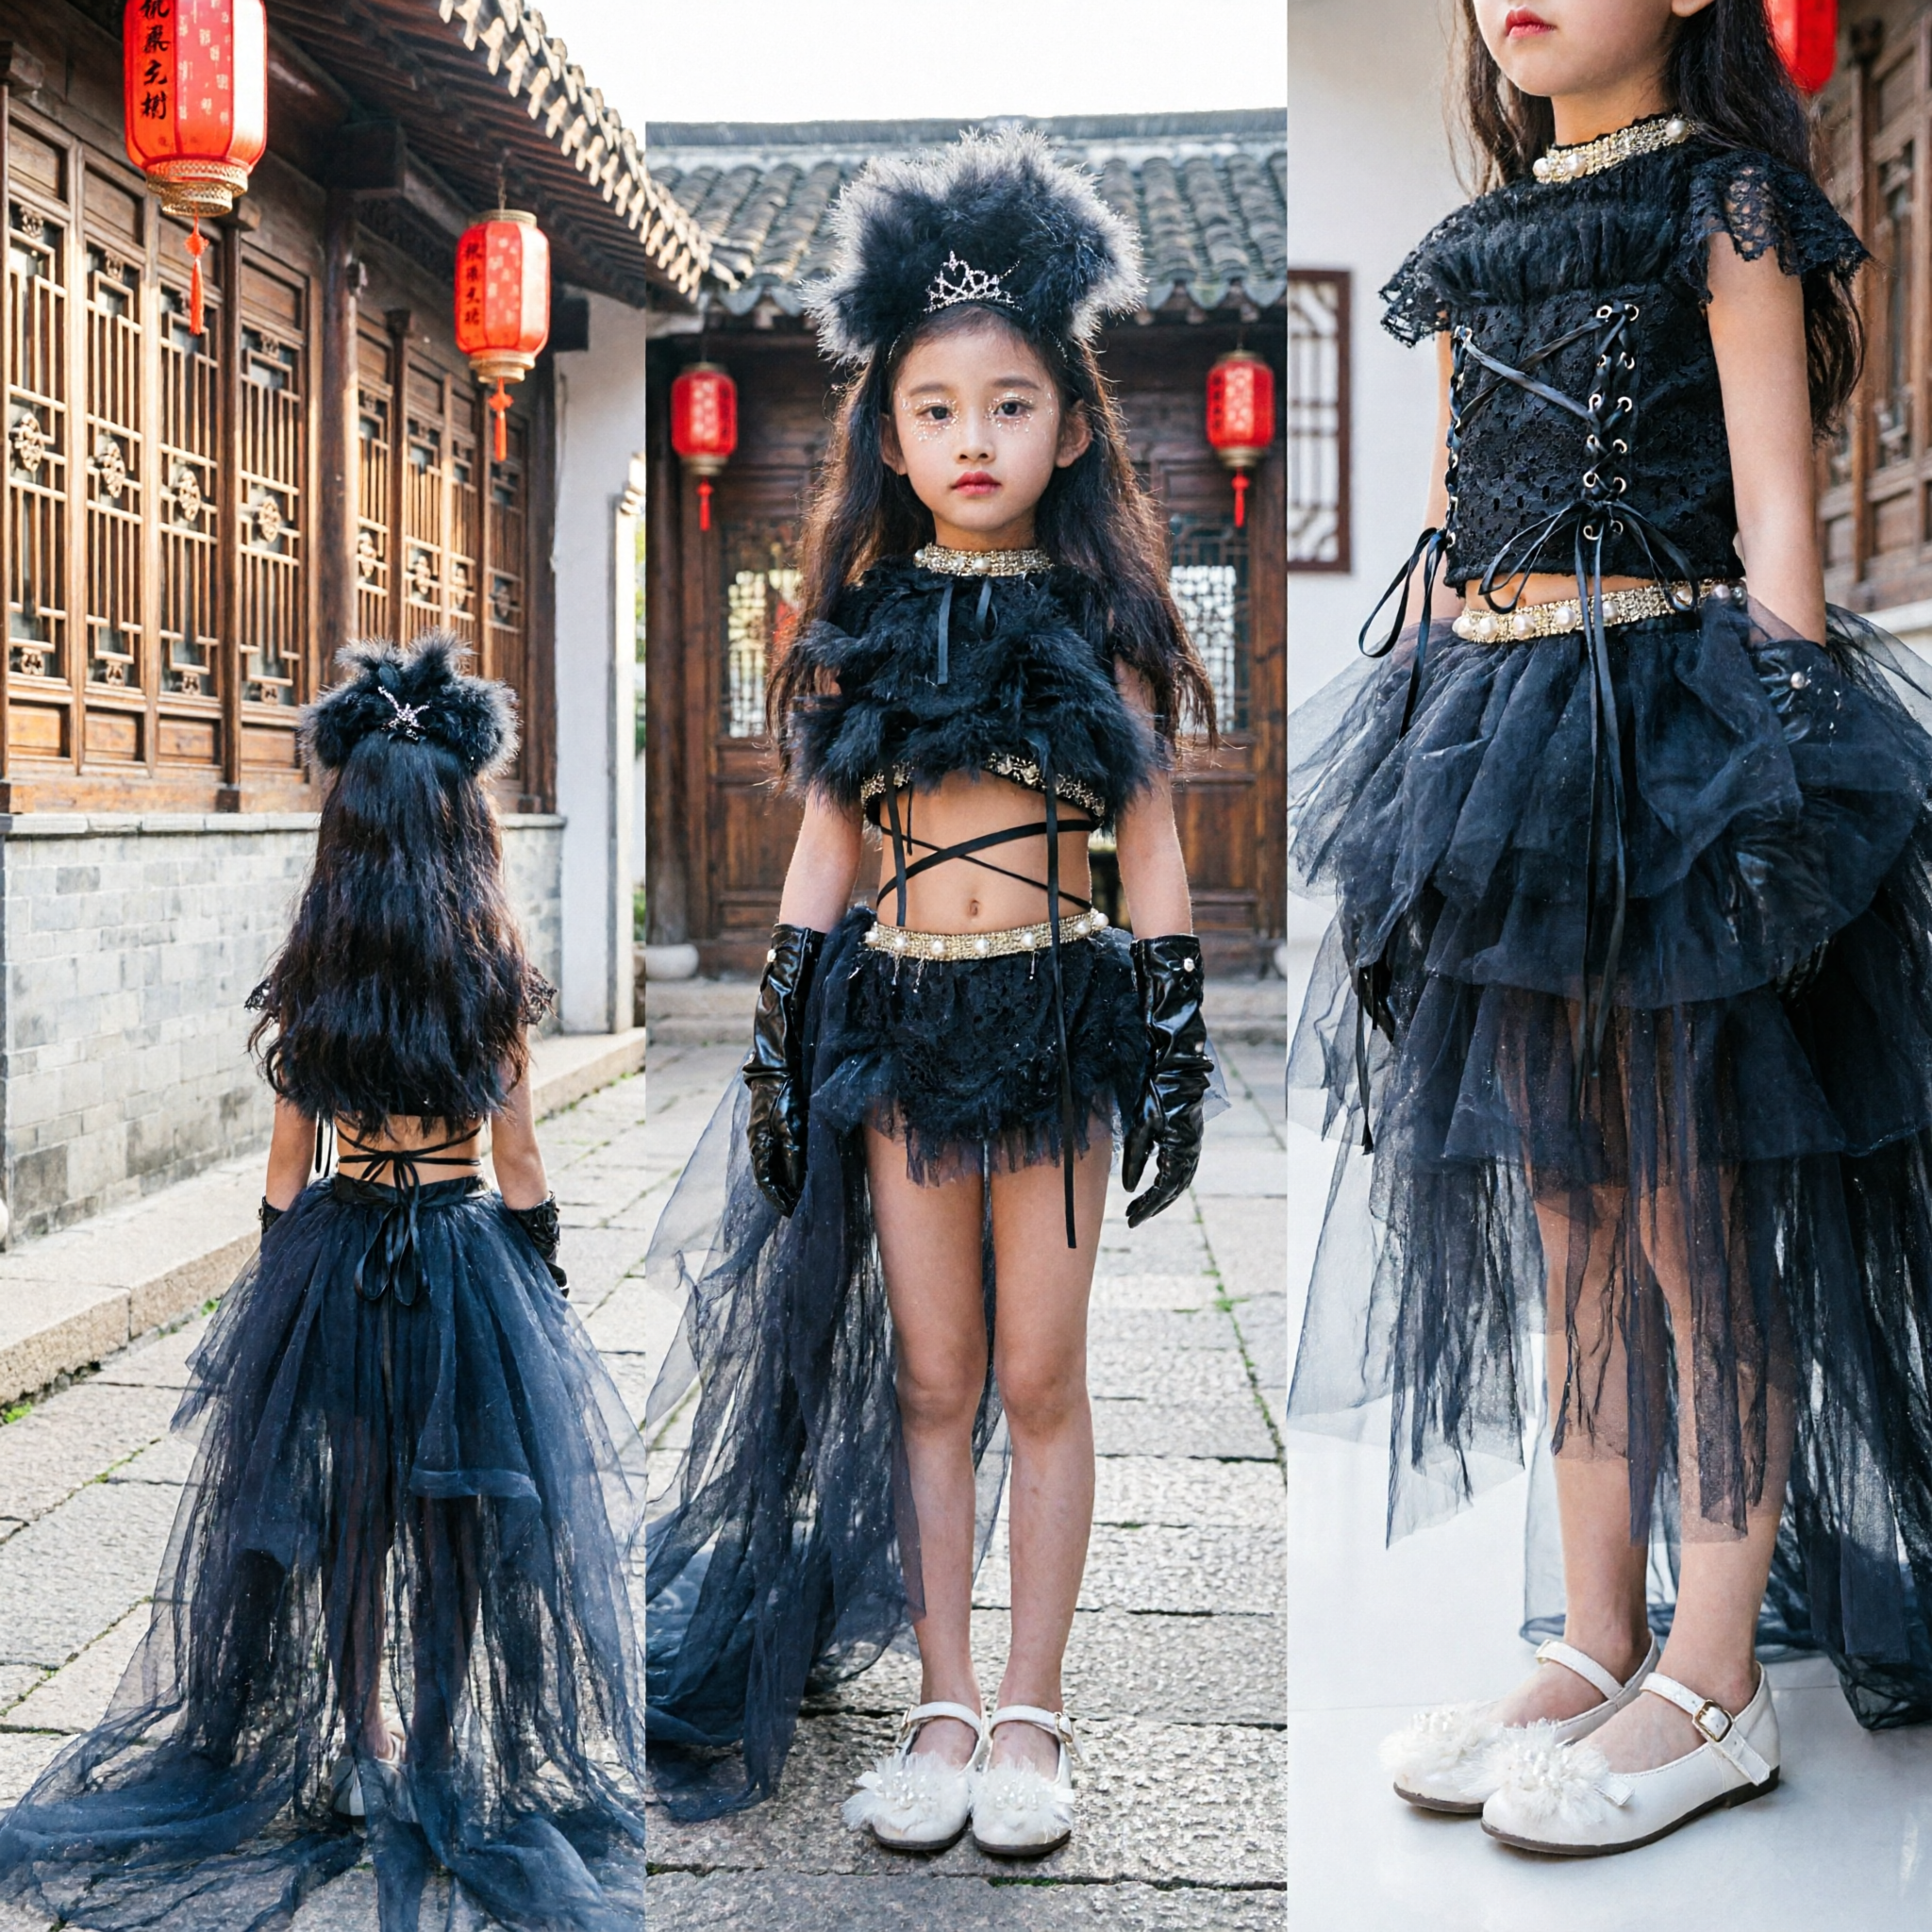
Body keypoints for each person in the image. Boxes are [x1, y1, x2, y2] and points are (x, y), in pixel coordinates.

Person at [1289, 0, 1932, 1858]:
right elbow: (1438, 555)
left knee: (1691, 1209)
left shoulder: (1728, 209)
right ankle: (1593, 1635)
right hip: (1495, 755)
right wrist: (1407, 789)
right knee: (1569, 1213)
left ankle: (1713, 1679)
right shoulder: (1472, 243)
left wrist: (1785, 833)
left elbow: (1781, 565)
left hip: (1666, 749)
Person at [643, 131, 1219, 1859]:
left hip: (1052, 1023)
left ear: (1071, 422)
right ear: (889, 434)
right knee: (930, 1377)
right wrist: (772, 1040)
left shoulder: (1105, 616)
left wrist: (1174, 1035)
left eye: (1014, 405)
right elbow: (825, 851)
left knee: (1043, 1376)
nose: (977, 441)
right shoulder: (862, 620)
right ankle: (943, 1698)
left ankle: (1035, 1707)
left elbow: (1156, 840)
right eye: (940, 410)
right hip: (897, 1026)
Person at [0, 636, 648, 1930]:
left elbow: (286, 1166)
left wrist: (273, 1291)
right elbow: (518, 1155)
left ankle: (362, 1748)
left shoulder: (318, 975)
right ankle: (447, 1742)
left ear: (343, 827)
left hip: (342, 1255)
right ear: (464, 820)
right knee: (462, 1525)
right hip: (467, 1251)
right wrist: (546, 1265)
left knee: (352, 1519)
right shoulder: (493, 969)